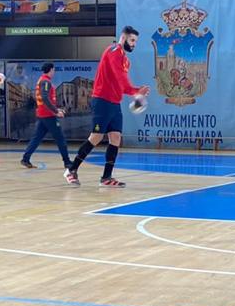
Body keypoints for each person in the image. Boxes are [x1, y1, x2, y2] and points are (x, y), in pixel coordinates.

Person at [64, 26, 150, 187]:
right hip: (102, 100)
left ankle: (106, 177)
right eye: (132, 40)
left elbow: (122, 85)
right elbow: (119, 77)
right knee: (96, 137)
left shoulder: (126, 60)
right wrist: (136, 91)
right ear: (123, 38)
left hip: (114, 103)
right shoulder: (113, 51)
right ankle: (71, 169)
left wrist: (137, 91)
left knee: (116, 138)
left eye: (136, 42)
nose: (134, 44)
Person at [21, 62, 72, 169]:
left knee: (37, 138)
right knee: (60, 138)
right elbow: (45, 98)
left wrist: (56, 109)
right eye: (54, 70)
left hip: (42, 114)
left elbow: (47, 99)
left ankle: (25, 159)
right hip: (48, 116)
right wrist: (56, 111)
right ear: (51, 70)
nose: (54, 72)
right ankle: (67, 162)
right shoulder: (46, 82)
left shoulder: (42, 80)